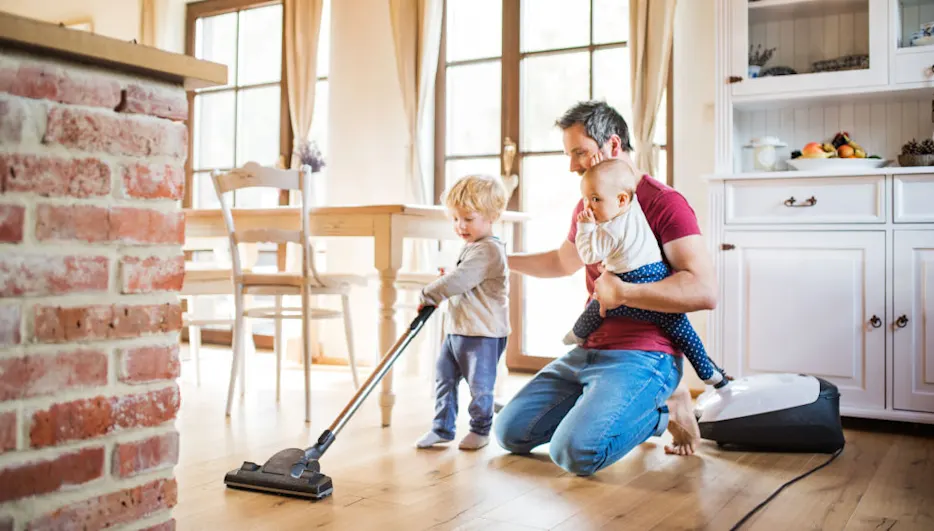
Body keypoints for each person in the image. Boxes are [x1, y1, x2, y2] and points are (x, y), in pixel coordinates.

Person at [494, 100, 716, 475]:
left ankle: (667, 405)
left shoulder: (664, 204)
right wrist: (497, 259)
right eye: (569, 155)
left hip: (645, 352)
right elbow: (561, 262)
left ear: (613, 146)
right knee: (509, 433)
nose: (572, 165)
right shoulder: (591, 203)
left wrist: (625, 294)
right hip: (590, 349)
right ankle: (608, 403)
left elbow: (702, 290)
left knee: (575, 453)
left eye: (579, 152)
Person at [562, 159, 728, 389]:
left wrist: (585, 228)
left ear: (621, 199)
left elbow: (589, 255)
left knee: (598, 307)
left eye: (595, 199)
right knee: (684, 332)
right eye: (586, 199)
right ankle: (711, 374)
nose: (587, 207)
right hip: (655, 274)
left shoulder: (610, 230)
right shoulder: (634, 205)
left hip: (629, 282)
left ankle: (577, 334)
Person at [415, 173, 511, 451]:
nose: (460, 226)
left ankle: (481, 430)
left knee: (479, 386)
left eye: (468, 219)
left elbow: (459, 281)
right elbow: (462, 278)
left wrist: (429, 292)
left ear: (492, 215)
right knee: (444, 376)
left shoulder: (489, 250)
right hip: (458, 328)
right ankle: (442, 427)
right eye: (456, 219)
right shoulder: (473, 246)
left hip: (482, 333)